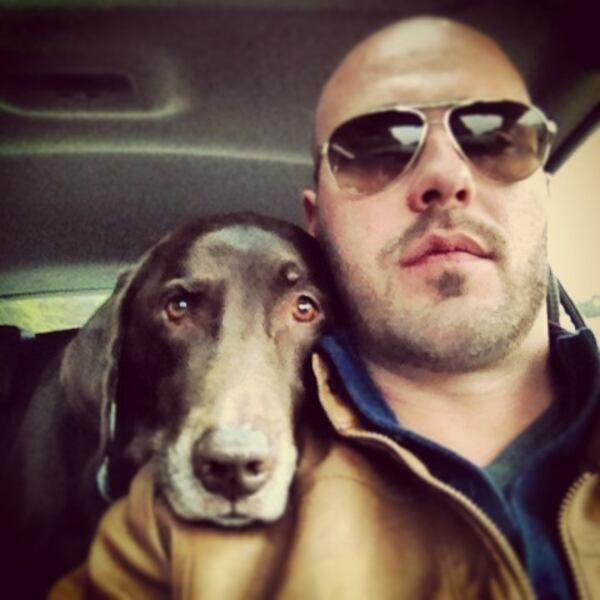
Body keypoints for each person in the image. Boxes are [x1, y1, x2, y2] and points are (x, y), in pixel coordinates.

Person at [51, 16, 600, 599]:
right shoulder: (164, 534)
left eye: (495, 135)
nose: (446, 174)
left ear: (544, 187)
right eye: (376, 146)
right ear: (318, 224)